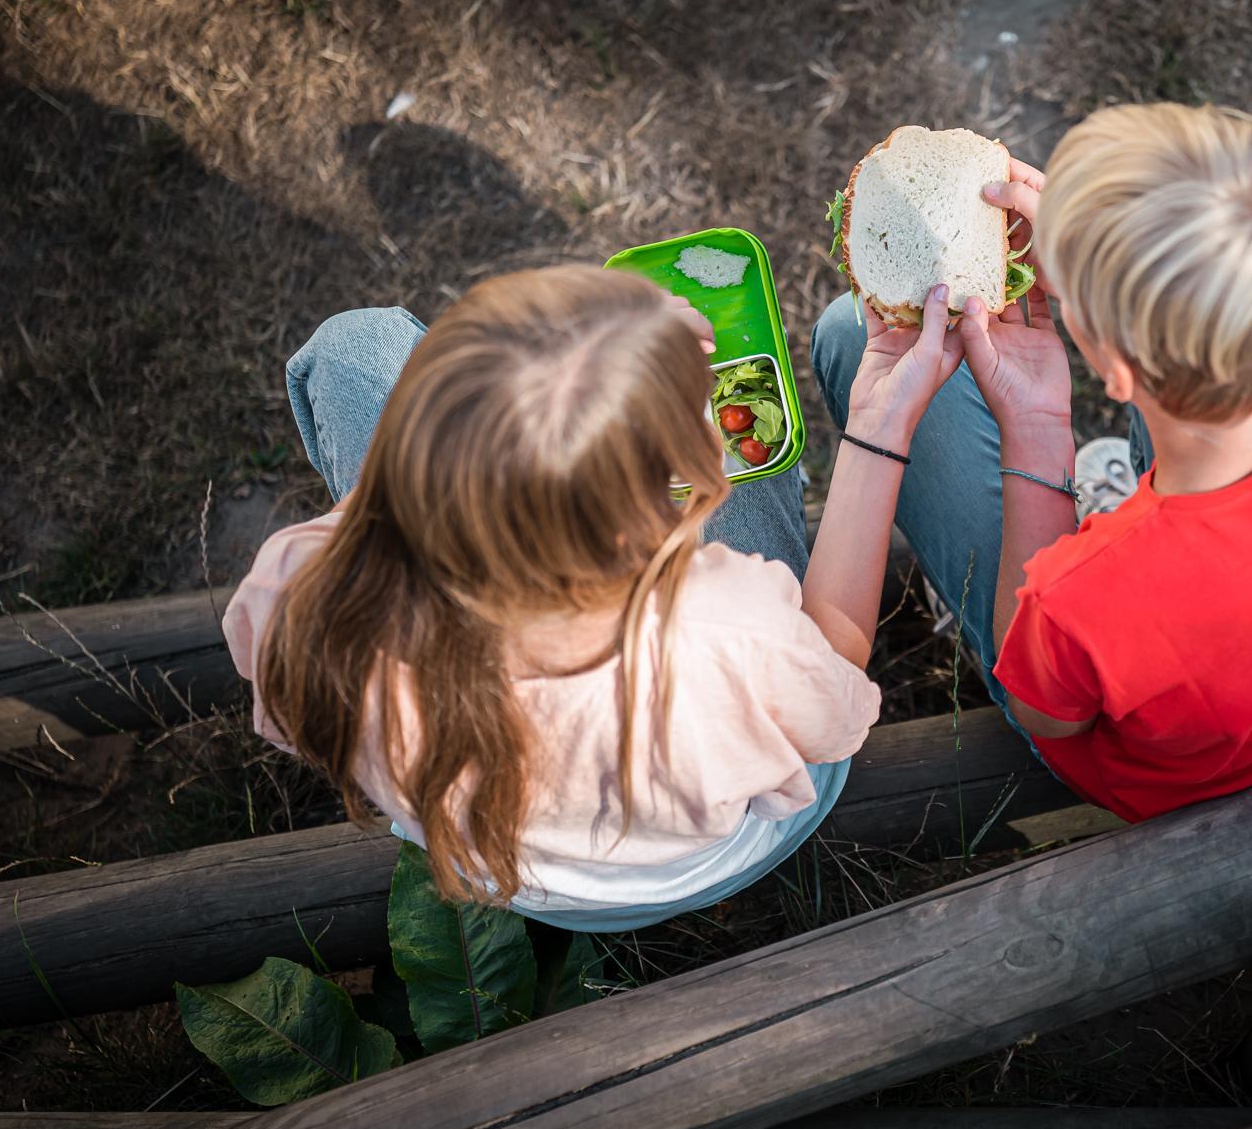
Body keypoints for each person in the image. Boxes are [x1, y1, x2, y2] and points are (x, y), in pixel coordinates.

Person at [224, 263, 963, 928]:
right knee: (752, 459)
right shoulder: (727, 626)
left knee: (355, 344)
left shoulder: (312, 597)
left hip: (517, 872)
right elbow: (835, 697)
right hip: (727, 846)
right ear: (648, 516)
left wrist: (439, 461)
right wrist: (877, 426)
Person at [812, 103, 1252, 822]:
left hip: (1156, 780)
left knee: (846, 335)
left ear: (1113, 369)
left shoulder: (1084, 600)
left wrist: (1039, 429)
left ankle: (1093, 505)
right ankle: (1137, 488)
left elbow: (1044, 711)